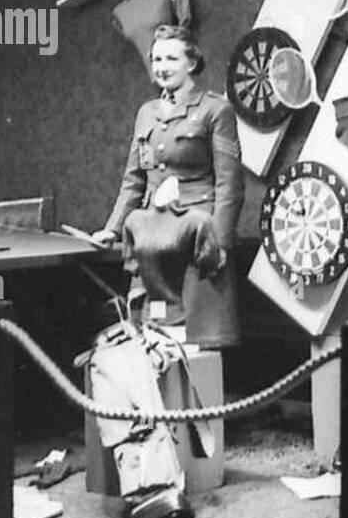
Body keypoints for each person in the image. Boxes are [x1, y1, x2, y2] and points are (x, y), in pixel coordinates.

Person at [94, 25, 245, 358]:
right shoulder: (147, 114)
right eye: (156, 58)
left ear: (191, 63)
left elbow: (229, 184)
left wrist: (217, 243)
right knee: (153, 339)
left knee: (197, 345)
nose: (161, 66)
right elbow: (139, 175)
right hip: (154, 240)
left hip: (195, 239)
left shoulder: (214, 110)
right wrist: (113, 228)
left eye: (171, 58)